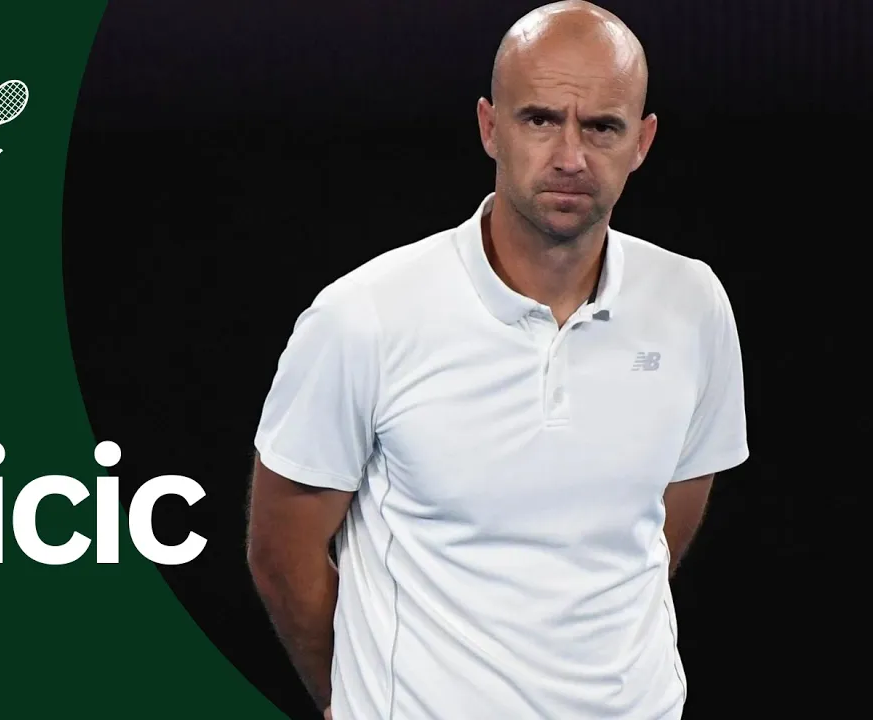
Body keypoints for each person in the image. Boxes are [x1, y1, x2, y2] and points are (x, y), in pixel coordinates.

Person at [245, 2, 749, 718]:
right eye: (540, 119)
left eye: (601, 127)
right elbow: (281, 555)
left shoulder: (693, 303)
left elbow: (657, 528)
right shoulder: (364, 316)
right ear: (490, 128)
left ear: (642, 141)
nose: (570, 157)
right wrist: (355, 697)